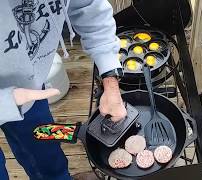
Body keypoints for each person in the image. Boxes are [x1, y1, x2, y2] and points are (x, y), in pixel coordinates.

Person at [0, 0, 127, 179]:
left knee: (45, 151)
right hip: (16, 95)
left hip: (30, 88)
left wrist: (110, 81)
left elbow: (88, 5)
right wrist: (6, 102)